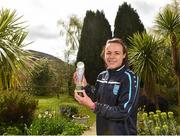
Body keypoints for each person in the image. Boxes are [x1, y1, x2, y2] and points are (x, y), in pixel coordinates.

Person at [73, 38, 139, 135]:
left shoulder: (129, 77)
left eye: (117, 53)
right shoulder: (101, 76)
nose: (111, 56)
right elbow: (96, 98)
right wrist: (85, 86)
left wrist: (93, 106)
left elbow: (123, 112)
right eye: (108, 53)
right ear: (104, 55)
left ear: (124, 55)